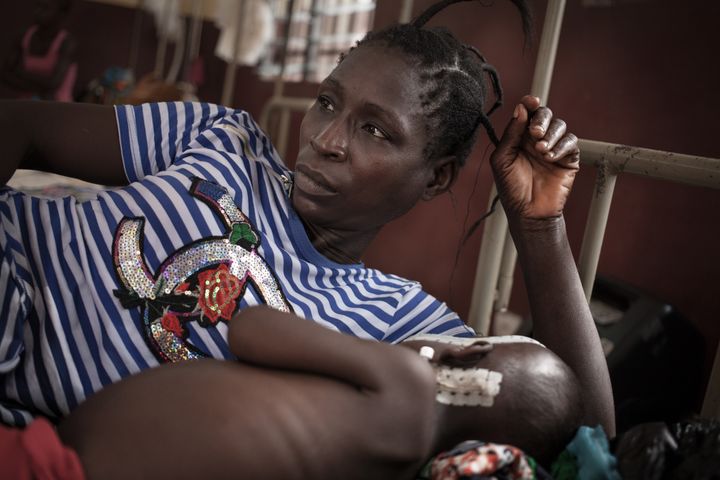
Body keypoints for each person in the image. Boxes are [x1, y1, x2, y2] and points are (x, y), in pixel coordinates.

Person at [0, 0, 614, 443]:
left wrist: (539, 229)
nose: (324, 139)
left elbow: (581, 430)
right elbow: (19, 126)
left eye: (374, 129)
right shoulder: (223, 138)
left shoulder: (399, 322)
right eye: (327, 102)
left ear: (436, 177)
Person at [56, 305, 582, 479]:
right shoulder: (388, 461)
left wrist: (414, 355)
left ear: (465, 356)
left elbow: (252, 328)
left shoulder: (410, 380)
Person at [1, 0, 78, 102]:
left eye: (45, 8)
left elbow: (53, 83)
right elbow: (4, 75)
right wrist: (41, 87)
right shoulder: (23, 37)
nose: (38, 12)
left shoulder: (67, 43)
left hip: (58, 107)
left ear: (60, 14)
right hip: (26, 104)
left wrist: (20, 73)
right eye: (38, 6)